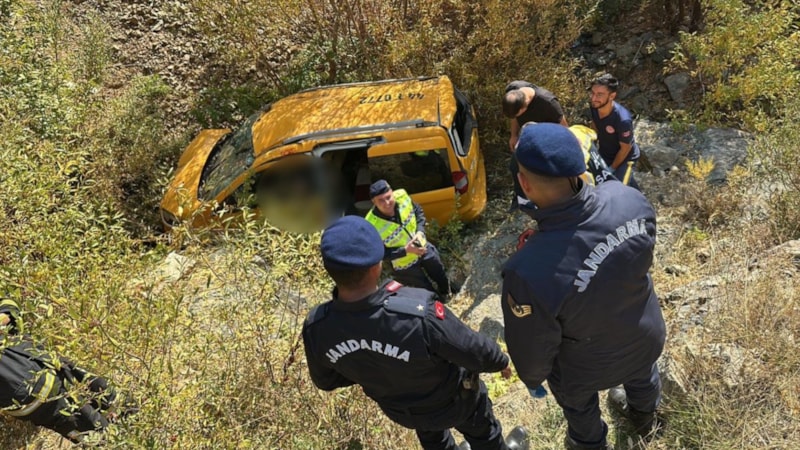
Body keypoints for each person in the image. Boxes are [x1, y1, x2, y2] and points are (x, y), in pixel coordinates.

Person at [500, 123, 666, 450]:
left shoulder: (526, 270)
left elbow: (532, 348)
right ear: (580, 165)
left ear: (524, 184)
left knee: (580, 409)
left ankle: (590, 444)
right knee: (643, 376)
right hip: (643, 335)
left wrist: (532, 379)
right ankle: (646, 418)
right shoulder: (628, 199)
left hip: (584, 369)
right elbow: (638, 260)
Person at [302, 215, 529, 450]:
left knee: (434, 440)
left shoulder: (318, 327)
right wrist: (499, 361)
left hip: (404, 411)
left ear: (330, 270)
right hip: (455, 401)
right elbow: (469, 348)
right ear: (377, 264)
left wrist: (370, 364)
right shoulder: (417, 313)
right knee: (484, 435)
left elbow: (326, 380)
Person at [1, 297, 127, 443]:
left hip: (50, 363)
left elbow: (9, 305)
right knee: (97, 435)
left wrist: (3, 318)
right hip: (36, 400)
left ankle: (144, 425)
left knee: (112, 398)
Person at [365, 179, 458, 298]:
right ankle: (437, 307)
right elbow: (379, 254)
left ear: (392, 192)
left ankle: (447, 293)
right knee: (424, 291)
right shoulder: (370, 224)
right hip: (405, 264)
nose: (387, 202)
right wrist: (406, 250)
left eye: (388, 197)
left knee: (439, 272)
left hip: (423, 247)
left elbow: (418, 212)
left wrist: (420, 231)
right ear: (374, 202)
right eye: (381, 200)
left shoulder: (402, 196)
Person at [502, 81, 569, 212]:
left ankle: (550, 201)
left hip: (548, 138)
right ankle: (521, 199)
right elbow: (514, 118)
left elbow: (564, 128)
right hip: (527, 136)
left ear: (525, 107)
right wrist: (514, 135)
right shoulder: (513, 91)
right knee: (515, 165)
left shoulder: (547, 102)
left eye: (518, 113)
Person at [588, 73, 641, 190]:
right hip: (605, 152)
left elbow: (625, 148)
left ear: (612, 96)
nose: (593, 98)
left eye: (599, 94)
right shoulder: (595, 106)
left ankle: (641, 204)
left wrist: (611, 168)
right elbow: (595, 124)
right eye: (593, 93)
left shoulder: (622, 120)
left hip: (626, 158)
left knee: (620, 188)